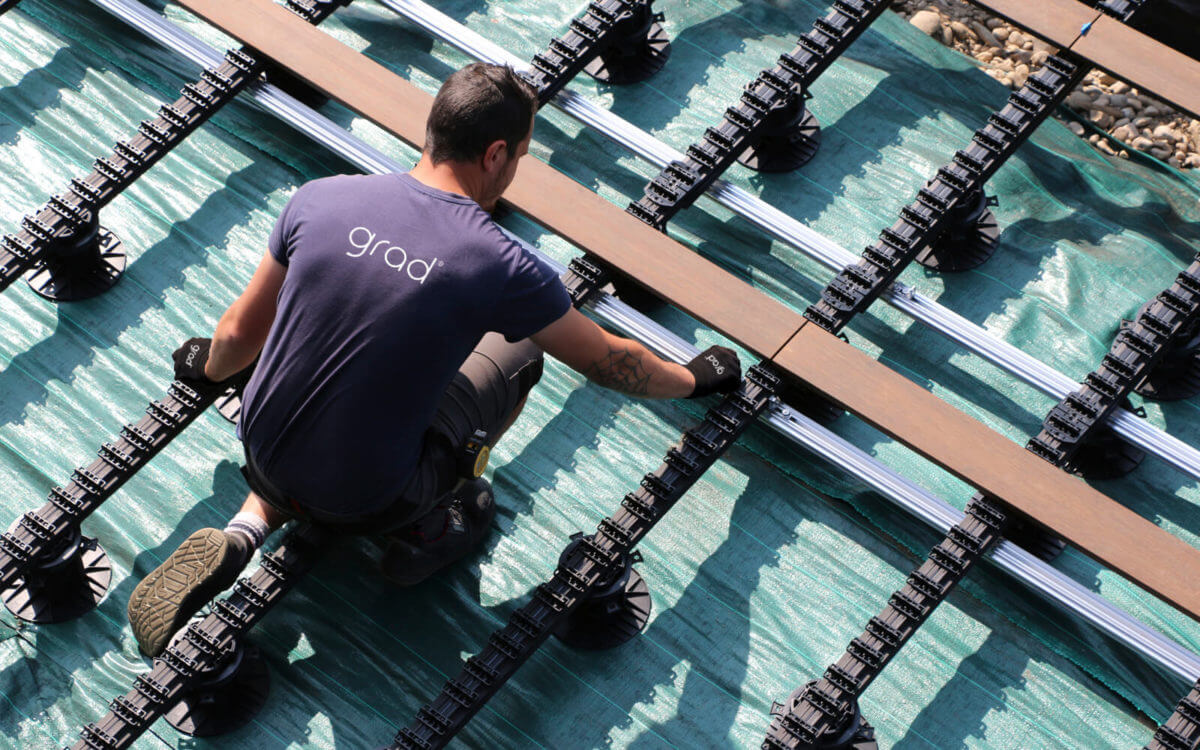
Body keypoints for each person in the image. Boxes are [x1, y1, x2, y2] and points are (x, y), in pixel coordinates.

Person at [126, 63, 742, 658]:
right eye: (521, 158)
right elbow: (609, 360)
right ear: (495, 154)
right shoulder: (499, 264)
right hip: (367, 495)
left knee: (321, 396)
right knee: (520, 349)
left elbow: (236, 334)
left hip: (258, 439)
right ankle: (422, 529)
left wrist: (204, 367)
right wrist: (695, 379)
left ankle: (244, 532)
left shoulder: (322, 198)